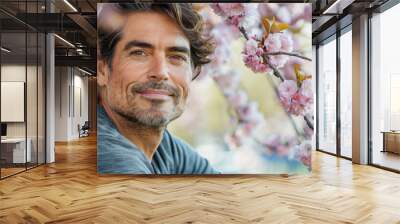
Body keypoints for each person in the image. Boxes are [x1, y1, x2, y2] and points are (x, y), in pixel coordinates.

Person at [97, 3, 219, 174]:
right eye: (139, 53)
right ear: (102, 70)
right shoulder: (108, 155)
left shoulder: (166, 150)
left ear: (194, 72)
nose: (160, 72)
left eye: (176, 56)